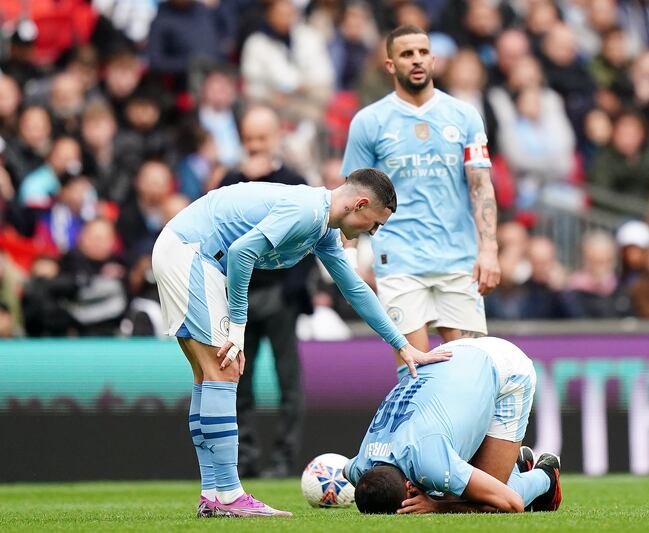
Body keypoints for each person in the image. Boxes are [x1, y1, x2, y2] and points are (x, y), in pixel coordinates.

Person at [151, 167, 449, 518]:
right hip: (193, 256)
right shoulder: (308, 212)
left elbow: (354, 289)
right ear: (361, 203)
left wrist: (401, 344)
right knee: (224, 369)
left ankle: (214, 493)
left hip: (184, 251)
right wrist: (238, 326)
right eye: (375, 223)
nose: (373, 231)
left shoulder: (322, 227)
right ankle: (228, 495)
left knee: (208, 376)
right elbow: (242, 253)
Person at [341, 25, 500, 355]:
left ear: (433, 59)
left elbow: (481, 186)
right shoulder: (370, 121)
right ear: (390, 65)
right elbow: (350, 196)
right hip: (399, 260)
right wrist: (349, 257)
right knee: (415, 368)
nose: (416, 60)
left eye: (422, 52)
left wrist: (489, 250)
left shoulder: (465, 116)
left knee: (468, 368)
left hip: (458, 259)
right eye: (406, 54)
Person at [343, 336, 561, 515]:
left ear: (409, 488)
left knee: (486, 502)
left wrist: (436, 507)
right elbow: (345, 469)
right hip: (453, 356)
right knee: (450, 489)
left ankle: (546, 476)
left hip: (506, 367)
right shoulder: (360, 466)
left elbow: (512, 503)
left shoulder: (429, 461)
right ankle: (515, 466)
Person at [216, 105, 312, 479]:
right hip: (238, 296)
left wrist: (292, 289)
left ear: (275, 138)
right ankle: (246, 460)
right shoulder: (229, 180)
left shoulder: (294, 180)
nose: (255, 145)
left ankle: (286, 460)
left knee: (290, 382)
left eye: (261, 137)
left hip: (281, 297)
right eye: (249, 138)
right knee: (239, 383)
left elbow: (311, 236)